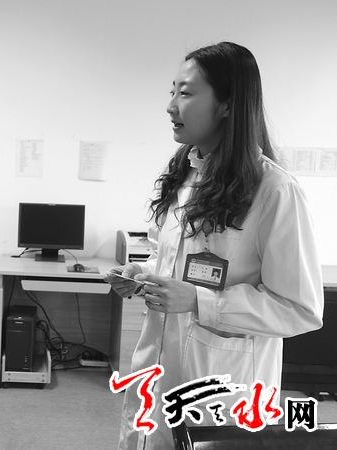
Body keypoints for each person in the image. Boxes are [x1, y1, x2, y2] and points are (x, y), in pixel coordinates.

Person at [105, 42, 323, 450]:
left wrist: (199, 301)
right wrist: (142, 274)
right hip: (159, 372)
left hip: (223, 390)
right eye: (172, 91)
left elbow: (300, 309)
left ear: (227, 104)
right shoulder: (186, 175)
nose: (171, 105)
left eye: (186, 93)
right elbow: (173, 260)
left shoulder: (275, 191)